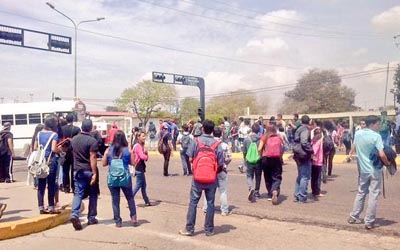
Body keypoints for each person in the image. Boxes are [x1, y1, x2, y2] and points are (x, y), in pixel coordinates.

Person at [179, 119, 224, 237]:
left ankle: (189, 228)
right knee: (210, 203)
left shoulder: (196, 141)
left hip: (197, 178)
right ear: (212, 131)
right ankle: (209, 230)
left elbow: (189, 158)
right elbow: (220, 163)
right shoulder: (217, 145)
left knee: (193, 202)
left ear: (203, 128)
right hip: (211, 179)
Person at [347, 115, 390, 230]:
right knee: (373, 195)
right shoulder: (376, 136)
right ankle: (369, 221)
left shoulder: (358, 134)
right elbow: (381, 154)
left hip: (363, 170)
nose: (379, 126)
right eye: (377, 124)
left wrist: (350, 155)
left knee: (361, 192)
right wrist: (387, 163)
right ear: (372, 124)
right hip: (375, 170)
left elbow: (354, 146)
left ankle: (354, 216)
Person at [102, 130, 137, 227]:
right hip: (125, 178)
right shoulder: (127, 150)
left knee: (115, 200)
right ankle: (133, 217)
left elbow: (104, 163)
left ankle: (118, 221)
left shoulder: (109, 150)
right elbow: (133, 163)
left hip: (113, 179)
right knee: (130, 198)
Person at [70, 119, 99, 230]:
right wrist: (94, 173)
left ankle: (74, 214)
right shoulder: (92, 141)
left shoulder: (74, 140)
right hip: (88, 170)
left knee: (78, 193)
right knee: (93, 194)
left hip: (77, 170)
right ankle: (91, 217)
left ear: (81, 127)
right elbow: (93, 157)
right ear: (91, 128)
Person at [202, 127, 232, 216]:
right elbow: (229, 158)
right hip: (221, 170)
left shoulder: (207, 144)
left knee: (208, 190)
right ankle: (224, 210)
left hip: (210, 171)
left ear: (212, 134)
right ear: (221, 135)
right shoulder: (224, 145)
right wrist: (224, 164)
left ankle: (206, 208)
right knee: (223, 191)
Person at [34, 116, 60, 214]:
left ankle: (41, 207)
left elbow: (35, 147)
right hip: (50, 161)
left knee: (41, 185)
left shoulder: (39, 134)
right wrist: (60, 150)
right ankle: (51, 207)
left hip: (41, 162)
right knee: (51, 185)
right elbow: (53, 149)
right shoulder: (54, 135)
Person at [258, 126, 283, 205]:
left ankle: (270, 194)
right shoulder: (279, 137)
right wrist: (280, 157)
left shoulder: (264, 137)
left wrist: (261, 155)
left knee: (267, 176)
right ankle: (275, 189)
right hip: (276, 159)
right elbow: (282, 148)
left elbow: (259, 149)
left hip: (266, 158)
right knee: (277, 176)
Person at [293, 115, 313, 203]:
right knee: (305, 176)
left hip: (298, 154)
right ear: (309, 122)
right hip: (303, 155)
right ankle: (302, 196)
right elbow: (304, 142)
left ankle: (297, 194)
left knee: (300, 175)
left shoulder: (299, 129)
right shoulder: (305, 130)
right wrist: (311, 150)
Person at [61, 113, 81, 193]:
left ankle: (66, 188)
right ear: (73, 120)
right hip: (73, 151)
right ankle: (74, 187)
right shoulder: (76, 129)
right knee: (73, 170)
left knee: (65, 170)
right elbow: (79, 140)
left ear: (66, 119)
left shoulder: (61, 129)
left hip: (64, 151)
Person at [242, 123, 262, 201]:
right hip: (258, 160)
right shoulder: (261, 139)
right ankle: (257, 191)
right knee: (258, 176)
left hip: (249, 160)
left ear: (252, 129)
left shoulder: (247, 139)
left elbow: (244, 151)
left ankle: (251, 187)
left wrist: (245, 159)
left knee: (249, 175)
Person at [132, 131, 151, 207]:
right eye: (143, 136)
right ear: (138, 137)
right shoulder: (138, 146)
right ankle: (130, 198)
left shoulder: (139, 145)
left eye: (144, 136)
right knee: (138, 185)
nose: (144, 138)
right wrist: (146, 154)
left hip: (140, 167)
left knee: (143, 186)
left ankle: (147, 201)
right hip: (139, 167)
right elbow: (142, 157)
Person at [311, 125, 324, 198]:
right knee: (317, 177)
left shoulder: (312, 140)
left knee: (313, 177)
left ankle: (314, 191)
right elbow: (315, 151)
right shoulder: (319, 141)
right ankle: (317, 192)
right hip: (317, 161)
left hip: (313, 162)